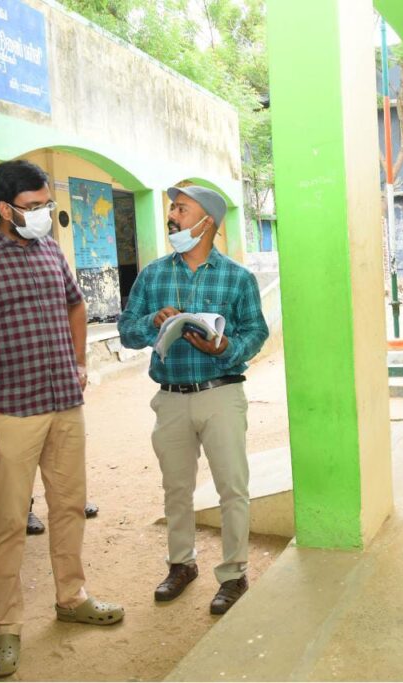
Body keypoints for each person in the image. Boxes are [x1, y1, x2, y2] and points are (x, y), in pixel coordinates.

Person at [0, 160, 124, 678]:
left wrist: (79, 363)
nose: (44, 214)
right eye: (34, 206)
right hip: (9, 410)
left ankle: (72, 597)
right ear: (5, 208)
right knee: (10, 523)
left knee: (68, 506)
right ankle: (4, 628)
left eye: (47, 204)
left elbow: (76, 306)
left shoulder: (49, 250)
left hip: (63, 403)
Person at [118, 185, 268, 614]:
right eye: (172, 209)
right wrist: (153, 321)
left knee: (232, 488)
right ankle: (181, 564)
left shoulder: (237, 277)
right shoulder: (153, 275)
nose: (172, 217)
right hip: (171, 398)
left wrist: (227, 347)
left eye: (181, 210)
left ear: (207, 223)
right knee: (177, 488)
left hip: (221, 393)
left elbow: (256, 331)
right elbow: (127, 331)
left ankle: (234, 573)